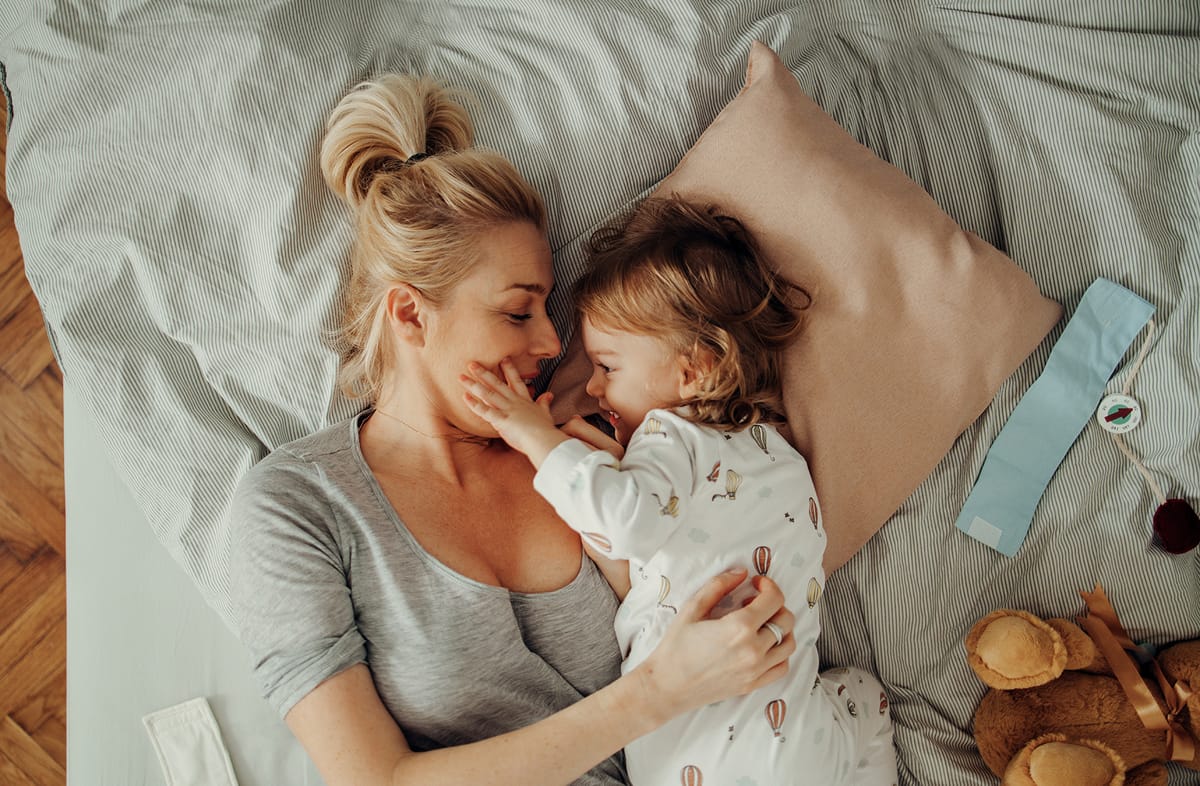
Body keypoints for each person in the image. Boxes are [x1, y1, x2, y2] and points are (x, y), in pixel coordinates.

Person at [228, 74, 799, 786]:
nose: (553, 346)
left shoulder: (578, 457)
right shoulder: (297, 507)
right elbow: (377, 780)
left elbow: (687, 589)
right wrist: (658, 694)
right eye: (518, 312)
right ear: (409, 315)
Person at [460, 196, 898, 785]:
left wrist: (537, 438)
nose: (591, 388)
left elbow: (628, 527)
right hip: (802, 741)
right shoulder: (779, 456)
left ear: (692, 373)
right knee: (867, 699)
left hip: (694, 753)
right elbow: (664, 564)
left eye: (608, 366)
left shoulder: (672, 435)